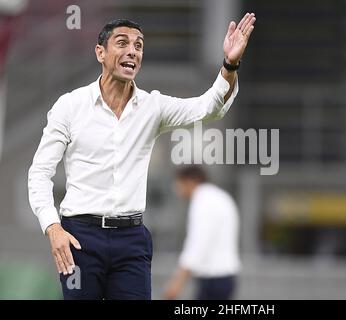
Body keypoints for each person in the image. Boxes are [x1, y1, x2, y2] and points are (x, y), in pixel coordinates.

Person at [28, 14, 255, 299]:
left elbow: (209, 108)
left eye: (138, 45)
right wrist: (52, 228)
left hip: (131, 241)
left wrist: (229, 65)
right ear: (100, 52)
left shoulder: (153, 107)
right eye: (122, 43)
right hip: (80, 238)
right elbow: (39, 173)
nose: (132, 51)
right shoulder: (70, 106)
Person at [164, 166, 240, 300]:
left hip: (214, 278)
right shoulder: (219, 197)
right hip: (224, 276)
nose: (177, 189)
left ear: (191, 181)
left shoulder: (203, 201)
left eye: (179, 183)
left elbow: (197, 244)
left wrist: (177, 283)